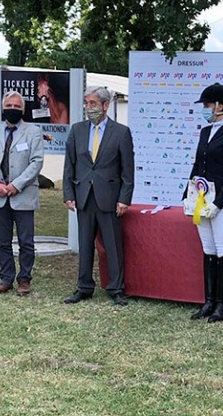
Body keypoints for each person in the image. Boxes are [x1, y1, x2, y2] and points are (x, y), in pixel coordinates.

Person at [63, 86, 134, 306]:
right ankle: (84, 287)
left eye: (93, 103)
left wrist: (124, 198)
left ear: (105, 105)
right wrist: (68, 193)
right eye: (86, 103)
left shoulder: (121, 132)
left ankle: (116, 288)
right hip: (84, 196)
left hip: (110, 198)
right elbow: (70, 166)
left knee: (113, 245)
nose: (88, 107)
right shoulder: (77, 130)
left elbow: (127, 171)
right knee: (85, 245)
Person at [184, 83, 223, 323]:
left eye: (208, 104)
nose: (206, 109)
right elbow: (197, 166)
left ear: (220, 106)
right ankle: (208, 301)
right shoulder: (205, 132)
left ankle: (222, 304)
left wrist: (218, 203)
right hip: (201, 199)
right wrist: (188, 195)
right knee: (208, 251)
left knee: (222, 250)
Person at [0, 90, 44, 296]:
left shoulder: (33, 132)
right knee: (3, 241)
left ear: (23, 110)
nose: (13, 110)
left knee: (26, 241)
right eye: (9, 106)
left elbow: (37, 162)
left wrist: (17, 185)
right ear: (2, 108)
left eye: (17, 107)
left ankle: (24, 279)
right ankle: (6, 278)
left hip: (23, 195)